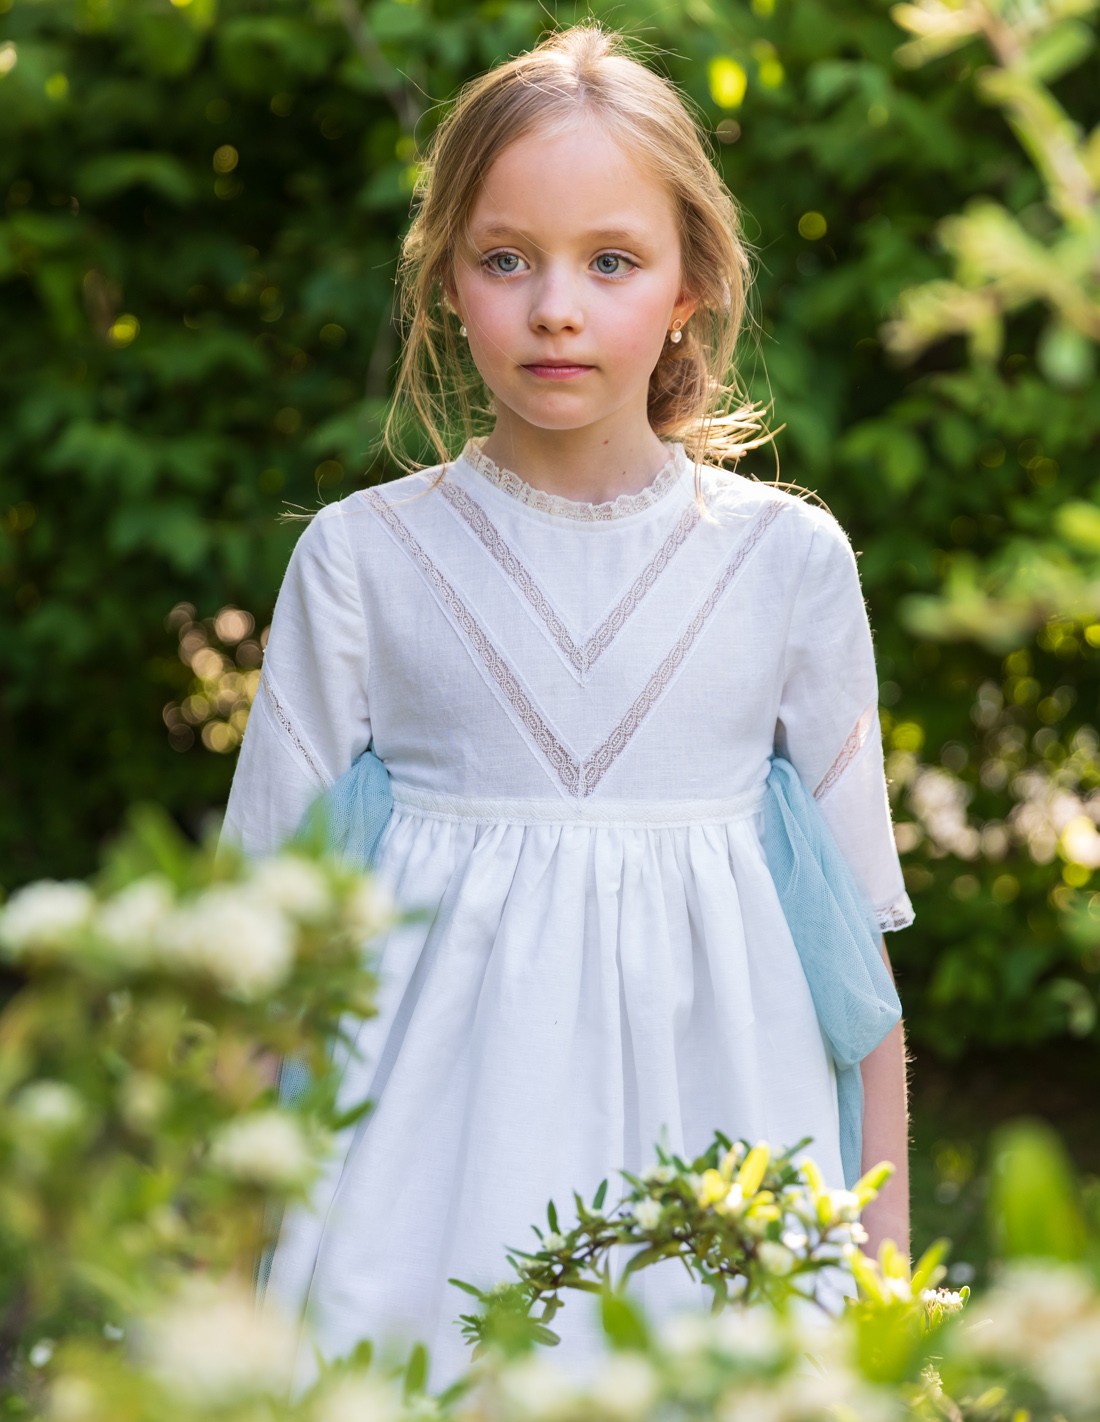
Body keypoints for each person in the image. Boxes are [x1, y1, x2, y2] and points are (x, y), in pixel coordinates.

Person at [221, 23, 912, 1392]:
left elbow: (854, 962)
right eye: (506, 259)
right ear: (446, 280)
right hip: (413, 1187)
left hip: (727, 1149)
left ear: (690, 284)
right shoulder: (361, 560)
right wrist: (214, 1264)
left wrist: (885, 1270)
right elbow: (256, 951)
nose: (554, 307)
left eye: (611, 261)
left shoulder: (786, 563)